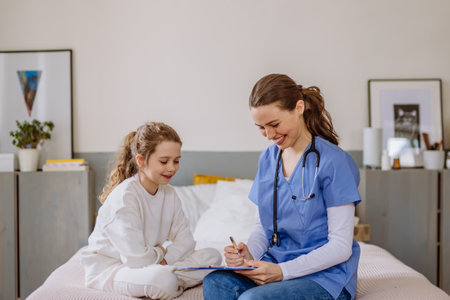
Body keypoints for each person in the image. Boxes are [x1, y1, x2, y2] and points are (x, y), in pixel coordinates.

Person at [203, 74, 361, 300]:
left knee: (253, 299)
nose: (269, 135)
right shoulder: (268, 159)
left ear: (299, 108)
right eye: (261, 128)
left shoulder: (334, 162)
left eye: (274, 124)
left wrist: (282, 272)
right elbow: (263, 228)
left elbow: (341, 246)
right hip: (276, 265)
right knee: (216, 283)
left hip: (324, 276)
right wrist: (248, 254)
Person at [81, 122, 222, 299]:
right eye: (164, 161)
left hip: (151, 265)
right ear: (141, 161)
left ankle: (167, 279)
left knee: (213, 257)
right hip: (114, 269)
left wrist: (164, 258)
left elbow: (186, 241)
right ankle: (167, 280)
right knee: (163, 279)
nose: (172, 168)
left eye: (176, 161)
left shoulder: (169, 194)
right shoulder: (125, 197)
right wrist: (162, 252)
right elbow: (136, 260)